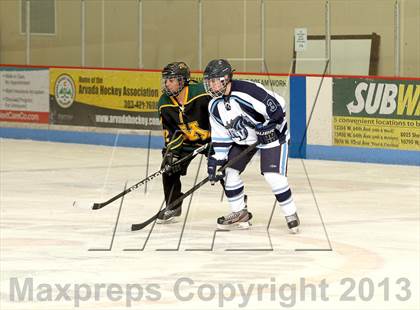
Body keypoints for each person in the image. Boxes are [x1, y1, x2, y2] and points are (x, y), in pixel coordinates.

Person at [203, 59, 300, 233]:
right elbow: (221, 138)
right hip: (245, 140)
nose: (210, 85)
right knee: (229, 172)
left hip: (272, 135)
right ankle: (239, 213)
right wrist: (216, 160)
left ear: (225, 78)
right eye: (209, 81)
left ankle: (290, 214)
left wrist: (270, 126)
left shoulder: (247, 91)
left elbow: (278, 108)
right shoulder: (214, 106)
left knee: (273, 175)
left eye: (214, 80)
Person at [157, 61, 212, 223]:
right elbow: (171, 132)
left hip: (212, 141)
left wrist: (221, 140)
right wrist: (172, 153)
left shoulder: (202, 93)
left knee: (224, 168)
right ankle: (173, 205)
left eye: (171, 80)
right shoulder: (164, 102)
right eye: (165, 80)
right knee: (168, 167)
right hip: (187, 143)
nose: (167, 84)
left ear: (182, 81)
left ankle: (239, 207)